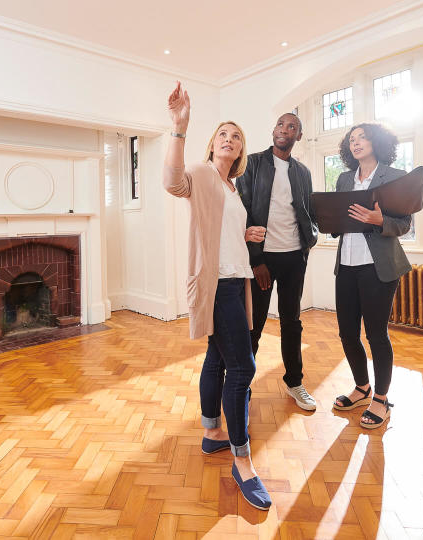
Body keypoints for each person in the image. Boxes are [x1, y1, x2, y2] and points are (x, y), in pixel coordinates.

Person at [162, 82, 271, 510]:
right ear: (212, 145)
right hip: (220, 282)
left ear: (241, 150)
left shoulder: (230, 187)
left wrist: (243, 234)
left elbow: (220, 228)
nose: (230, 139)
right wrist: (179, 127)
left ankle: (212, 434)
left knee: (217, 357)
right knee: (243, 368)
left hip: (234, 277)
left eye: (236, 136)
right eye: (223, 134)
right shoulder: (203, 174)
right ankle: (242, 463)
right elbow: (173, 182)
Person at [330, 123, 412, 429]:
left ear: (377, 141)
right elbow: (340, 219)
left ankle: (381, 398)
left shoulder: (394, 177)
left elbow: (404, 224)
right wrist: (331, 220)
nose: (356, 142)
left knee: (376, 334)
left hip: (379, 268)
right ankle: (362, 387)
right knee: (346, 333)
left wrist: (381, 220)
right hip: (346, 266)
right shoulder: (343, 179)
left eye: (362, 137)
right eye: (352, 139)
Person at [235, 113, 318, 410]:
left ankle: (294, 382)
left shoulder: (303, 172)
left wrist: (310, 242)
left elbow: (308, 212)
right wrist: (256, 259)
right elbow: (243, 211)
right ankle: (242, 384)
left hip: (295, 257)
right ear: (273, 131)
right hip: (263, 259)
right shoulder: (253, 164)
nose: (285, 130)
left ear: (298, 135)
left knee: (291, 322)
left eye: (292, 127)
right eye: (281, 125)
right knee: (253, 324)